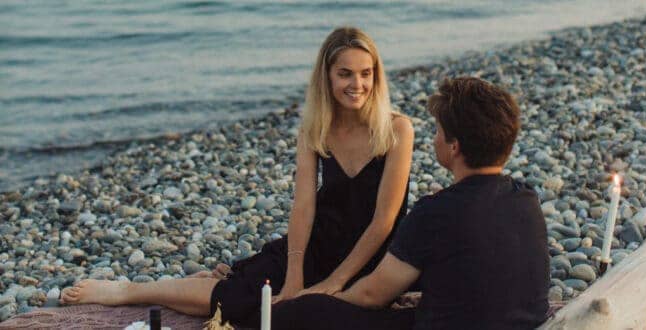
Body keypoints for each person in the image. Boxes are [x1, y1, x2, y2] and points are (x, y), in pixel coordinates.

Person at [59, 27, 414, 328]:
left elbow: (384, 220)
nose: (357, 84)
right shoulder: (315, 130)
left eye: (366, 73)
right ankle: (127, 291)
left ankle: (206, 284)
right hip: (319, 243)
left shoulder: (397, 129)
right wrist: (294, 276)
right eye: (346, 73)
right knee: (252, 300)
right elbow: (304, 206)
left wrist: (333, 283)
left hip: (372, 256)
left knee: (290, 316)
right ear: (327, 76)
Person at [272, 77, 550, 330]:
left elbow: (372, 294)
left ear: (453, 147)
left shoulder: (435, 212)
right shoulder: (526, 199)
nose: (434, 139)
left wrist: (326, 296)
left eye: (438, 131)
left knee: (302, 312)